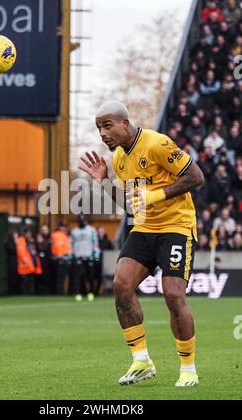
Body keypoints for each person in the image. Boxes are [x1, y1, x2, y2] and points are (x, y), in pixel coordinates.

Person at [79, 100, 204, 387]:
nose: (103, 133)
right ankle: (141, 360)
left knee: (173, 296)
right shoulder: (119, 160)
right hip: (145, 227)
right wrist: (105, 181)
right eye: (99, 128)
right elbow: (132, 207)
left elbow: (196, 176)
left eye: (107, 125)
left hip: (176, 227)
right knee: (121, 286)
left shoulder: (157, 144)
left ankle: (188, 368)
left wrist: (157, 196)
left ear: (125, 123)